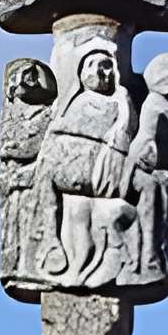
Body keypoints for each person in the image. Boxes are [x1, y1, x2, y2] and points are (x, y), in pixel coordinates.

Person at [31, 41, 137, 281]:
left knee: (47, 174)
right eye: (93, 65)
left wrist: (125, 105)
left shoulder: (119, 102)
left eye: (107, 66)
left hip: (101, 170)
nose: (101, 72)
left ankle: (49, 237)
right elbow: (59, 133)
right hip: (71, 165)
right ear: (81, 72)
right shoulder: (76, 102)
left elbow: (123, 134)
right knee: (46, 174)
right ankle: (49, 237)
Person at [127, 53, 168, 282]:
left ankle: (153, 255)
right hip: (151, 176)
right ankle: (151, 254)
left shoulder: (167, 111)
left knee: (161, 215)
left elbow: (164, 151)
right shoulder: (155, 105)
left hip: (160, 178)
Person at [0, 58, 57, 289]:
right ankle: (17, 266)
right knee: (14, 228)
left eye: (30, 77)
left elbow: (36, 145)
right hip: (11, 182)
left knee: (30, 223)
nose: (25, 83)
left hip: (31, 180)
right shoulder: (8, 115)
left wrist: (17, 150)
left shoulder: (45, 114)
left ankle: (31, 266)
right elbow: (6, 146)